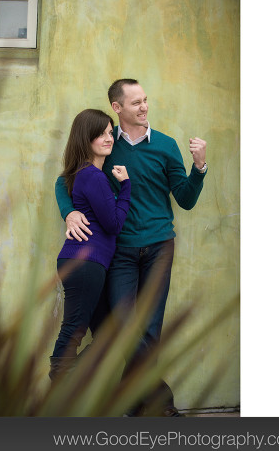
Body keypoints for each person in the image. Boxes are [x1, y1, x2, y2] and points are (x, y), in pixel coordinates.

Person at [55, 79, 208, 416]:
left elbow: (184, 198)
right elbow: (65, 180)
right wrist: (70, 212)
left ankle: (138, 407)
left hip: (159, 246)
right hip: (120, 251)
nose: (144, 107)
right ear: (117, 107)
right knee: (124, 326)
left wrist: (199, 168)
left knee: (150, 330)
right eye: (136, 102)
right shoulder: (106, 145)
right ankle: (157, 403)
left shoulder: (166, 145)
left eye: (145, 100)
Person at [50, 109, 131, 382]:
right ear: (86, 138)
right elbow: (114, 224)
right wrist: (126, 187)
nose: (109, 138)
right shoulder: (92, 176)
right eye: (101, 134)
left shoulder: (84, 175)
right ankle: (60, 383)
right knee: (73, 330)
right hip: (86, 262)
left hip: (86, 262)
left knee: (106, 333)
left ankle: (68, 381)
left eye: (110, 132)